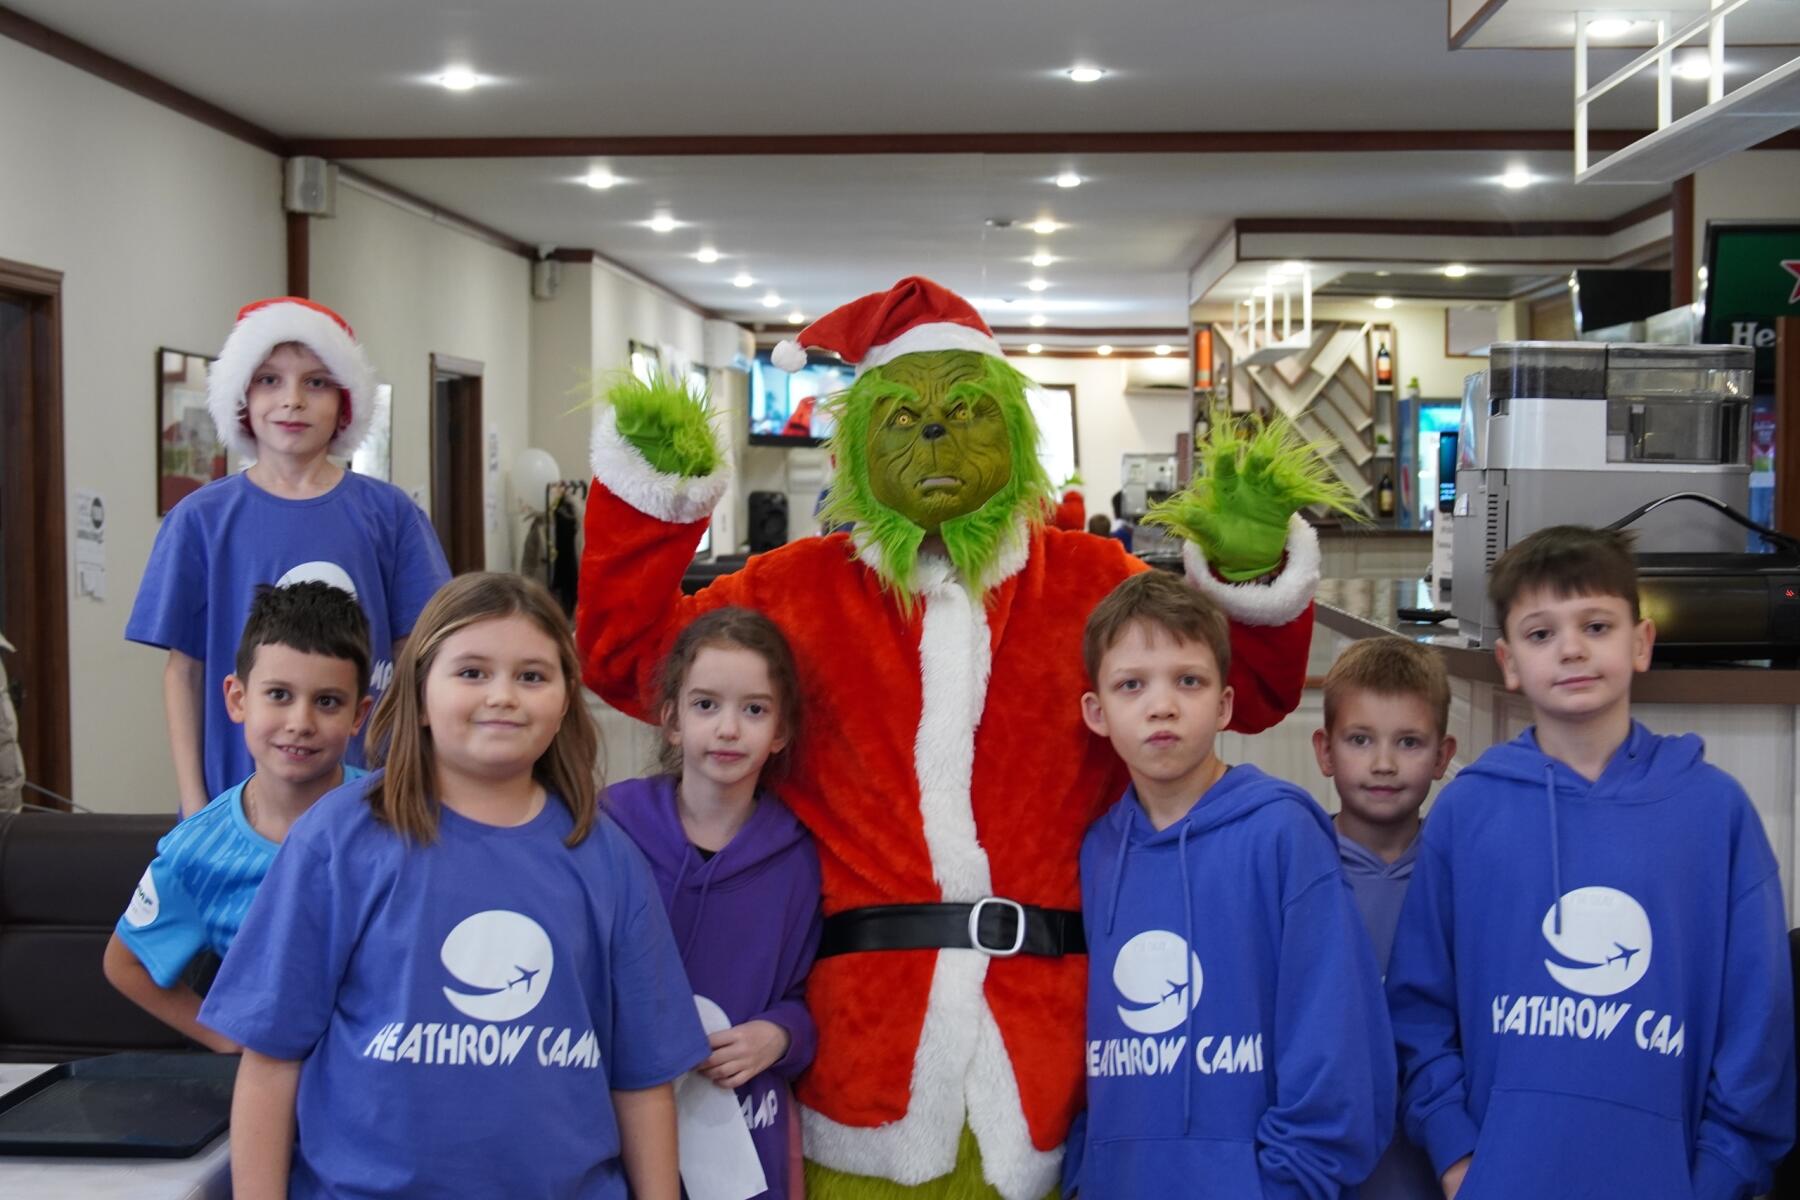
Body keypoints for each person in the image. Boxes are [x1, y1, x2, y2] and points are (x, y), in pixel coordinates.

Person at [578, 277, 1340, 1200]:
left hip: (1054, 1054)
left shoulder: (1090, 579)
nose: (935, 434)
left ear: (1014, 434)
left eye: (967, 412)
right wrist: (653, 505)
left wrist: (1249, 569)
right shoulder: (796, 589)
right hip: (860, 1059)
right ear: (858, 445)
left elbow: (1249, 694)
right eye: (903, 418)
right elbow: (628, 658)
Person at [199, 573, 708, 1199]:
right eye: (472, 672)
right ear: (418, 694)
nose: (503, 696)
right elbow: (271, 1058)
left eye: (532, 676)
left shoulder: (609, 859)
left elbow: (643, 1081)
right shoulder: (338, 840)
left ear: (565, 701)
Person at [1386, 526, 1796, 1200]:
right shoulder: (1468, 811)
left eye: (1596, 625)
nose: (1571, 648)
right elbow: (1419, 1006)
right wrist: (1457, 1154)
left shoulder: (1715, 812)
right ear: (1508, 661)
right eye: (1541, 633)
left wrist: (1719, 1174)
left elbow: (1759, 1025)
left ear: (1641, 643)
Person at [1073, 570, 1393, 1199]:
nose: (1162, 705)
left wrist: (1284, 1185)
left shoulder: (1282, 833)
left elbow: (1336, 1042)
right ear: (1097, 712)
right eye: (1132, 684)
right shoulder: (1096, 853)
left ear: (1223, 704)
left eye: (1187, 681)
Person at [127, 297, 449, 817]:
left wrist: (421, 777)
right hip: (237, 803)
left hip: (371, 799)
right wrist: (193, 802)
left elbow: (422, 658)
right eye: (269, 380)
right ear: (241, 396)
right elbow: (183, 672)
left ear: (345, 401)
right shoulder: (200, 520)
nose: (292, 400)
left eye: (316, 382)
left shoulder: (391, 515)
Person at [608, 607, 822, 1200]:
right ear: (671, 720)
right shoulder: (611, 829)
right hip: (622, 1123)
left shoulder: (802, 856)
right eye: (706, 705)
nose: (729, 729)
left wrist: (780, 1035)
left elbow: (816, 994)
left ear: (780, 731)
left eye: (754, 710)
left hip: (745, 1132)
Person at [103, 582, 373, 1051]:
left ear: (358, 714)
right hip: (278, 1076)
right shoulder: (197, 852)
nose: (300, 723)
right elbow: (125, 964)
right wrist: (226, 1039)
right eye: (279, 695)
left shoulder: (394, 812)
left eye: (327, 701)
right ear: (237, 699)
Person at [1311, 636, 1456, 1200]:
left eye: (1409, 742)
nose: (1384, 764)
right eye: (1360, 739)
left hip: (1436, 1166)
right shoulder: (1295, 867)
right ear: (1325, 750)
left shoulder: (1460, 874)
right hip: (1322, 1165)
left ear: (1443, 756)